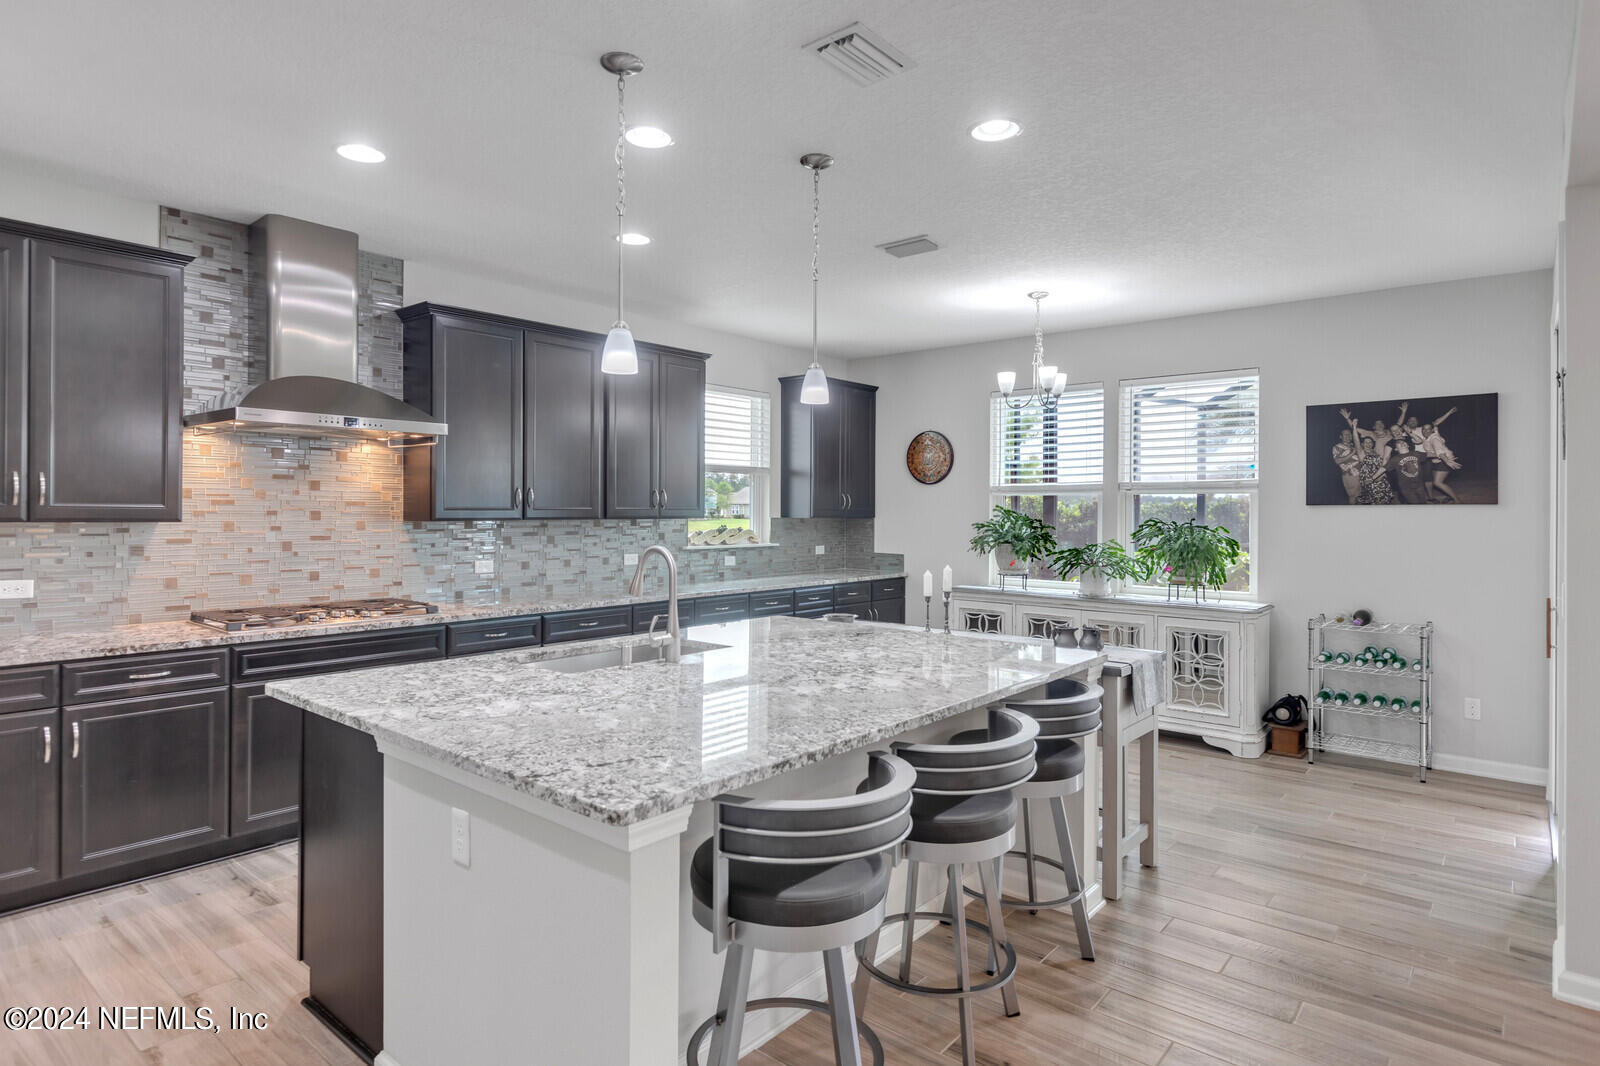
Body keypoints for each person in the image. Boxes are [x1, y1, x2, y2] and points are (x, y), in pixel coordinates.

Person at [1342, 410, 1396, 504]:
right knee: (1374, 502)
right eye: (1366, 442)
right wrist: (1354, 427)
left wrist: (1383, 474)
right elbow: (1356, 440)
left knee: (1385, 501)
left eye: (1370, 442)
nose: (1368, 444)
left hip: (1381, 478)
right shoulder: (1361, 453)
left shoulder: (1376, 453)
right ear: (1363, 444)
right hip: (1369, 480)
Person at [1416, 421, 1462, 503]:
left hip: (1444, 461)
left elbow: (1439, 450)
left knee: (1437, 483)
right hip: (1437, 461)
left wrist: (1447, 461)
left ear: (1432, 430)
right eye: (1424, 429)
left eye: (1428, 429)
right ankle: (1451, 497)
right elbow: (1436, 422)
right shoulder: (1429, 437)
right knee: (1437, 482)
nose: (1425, 431)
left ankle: (1457, 501)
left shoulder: (1434, 438)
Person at [1386, 436, 1430, 504]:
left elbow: (1429, 454)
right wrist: (1372, 478)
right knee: (1414, 503)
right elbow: (1383, 468)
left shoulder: (1416, 453)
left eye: (1403, 442)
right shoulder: (1395, 459)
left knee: (1423, 502)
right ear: (1396, 449)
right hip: (1406, 487)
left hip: (1419, 484)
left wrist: (1445, 458)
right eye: (1399, 443)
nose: (1402, 443)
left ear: (1408, 445)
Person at [1331, 428, 1362, 504]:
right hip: (1350, 474)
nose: (1348, 436)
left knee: (1360, 495)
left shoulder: (1353, 446)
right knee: (1352, 496)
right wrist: (1352, 453)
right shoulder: (1337, 447)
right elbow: (1337, 461)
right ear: (1341, 437)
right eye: (1345, 434)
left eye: (1349, 434)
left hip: (1361, 473)